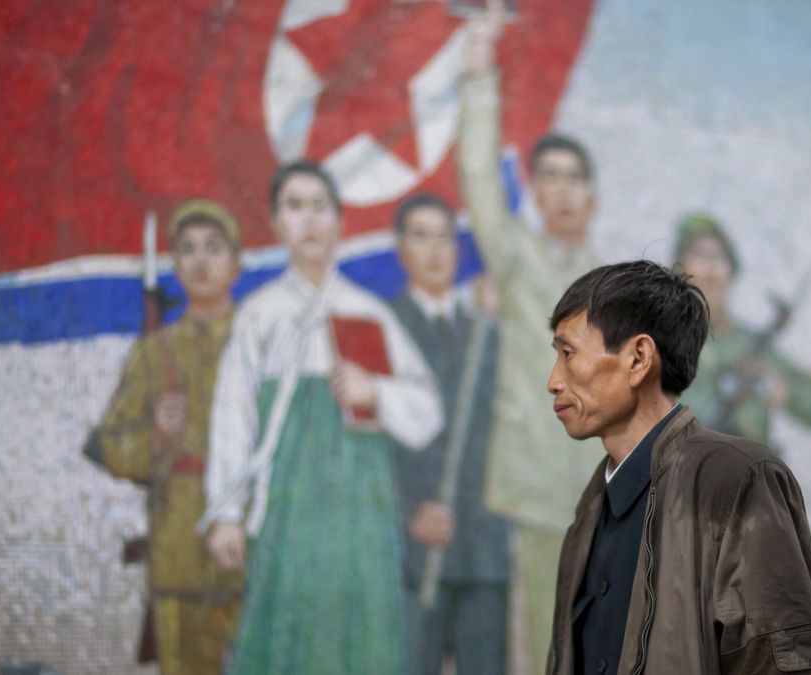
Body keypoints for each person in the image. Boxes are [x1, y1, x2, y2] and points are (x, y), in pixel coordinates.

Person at [201, 160, 443, 674]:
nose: (308, 220)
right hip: (290, 512)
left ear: (339, 221)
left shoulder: (369, 313)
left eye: (319, 207)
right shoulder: (259, 316)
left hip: (363, 515)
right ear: (276, 224)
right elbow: (233, 415)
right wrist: (225, 513)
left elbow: (427, 413)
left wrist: (373, 389)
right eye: (294, 207)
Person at [545, 261, 811, 674]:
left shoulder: (740, 479)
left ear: (639, 358)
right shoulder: (590, 512)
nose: (554, 381)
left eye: (568, 354)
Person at [457, 6, 606, 666]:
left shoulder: (618, 285)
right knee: (549, 632)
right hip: (543, 484)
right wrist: (477, 72)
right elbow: (476, 178)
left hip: (610, 485)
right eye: (552, 179)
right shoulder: (517, 259)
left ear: (592, 195)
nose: (565, 191)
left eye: (577, 179)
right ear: (538, 194)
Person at [84, 199, 244, 675]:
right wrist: (154, 435)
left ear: (237, 264)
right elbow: (109, 446)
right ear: (174, 264)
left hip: (256, 552)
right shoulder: (156, 352)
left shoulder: (259, 342)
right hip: (179, 551)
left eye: (214, 249)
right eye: (188, 250)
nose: (200, 261)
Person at [389, 193, 512, 675]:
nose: (435, 250)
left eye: (445, 238)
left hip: (482, 549)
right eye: (420, 237)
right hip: (412, 552)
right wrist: (406, 513)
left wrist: (504, 322)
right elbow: (366, 444)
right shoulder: (383, 327)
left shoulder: (487, 332)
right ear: (401, 250)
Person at [675, 213, 811, 444]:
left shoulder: (747, 344)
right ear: (679, 266)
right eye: (700, 254)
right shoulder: (660, 339)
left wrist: (785, 390)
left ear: (731, 272)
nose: (711, 268)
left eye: (720, 257)